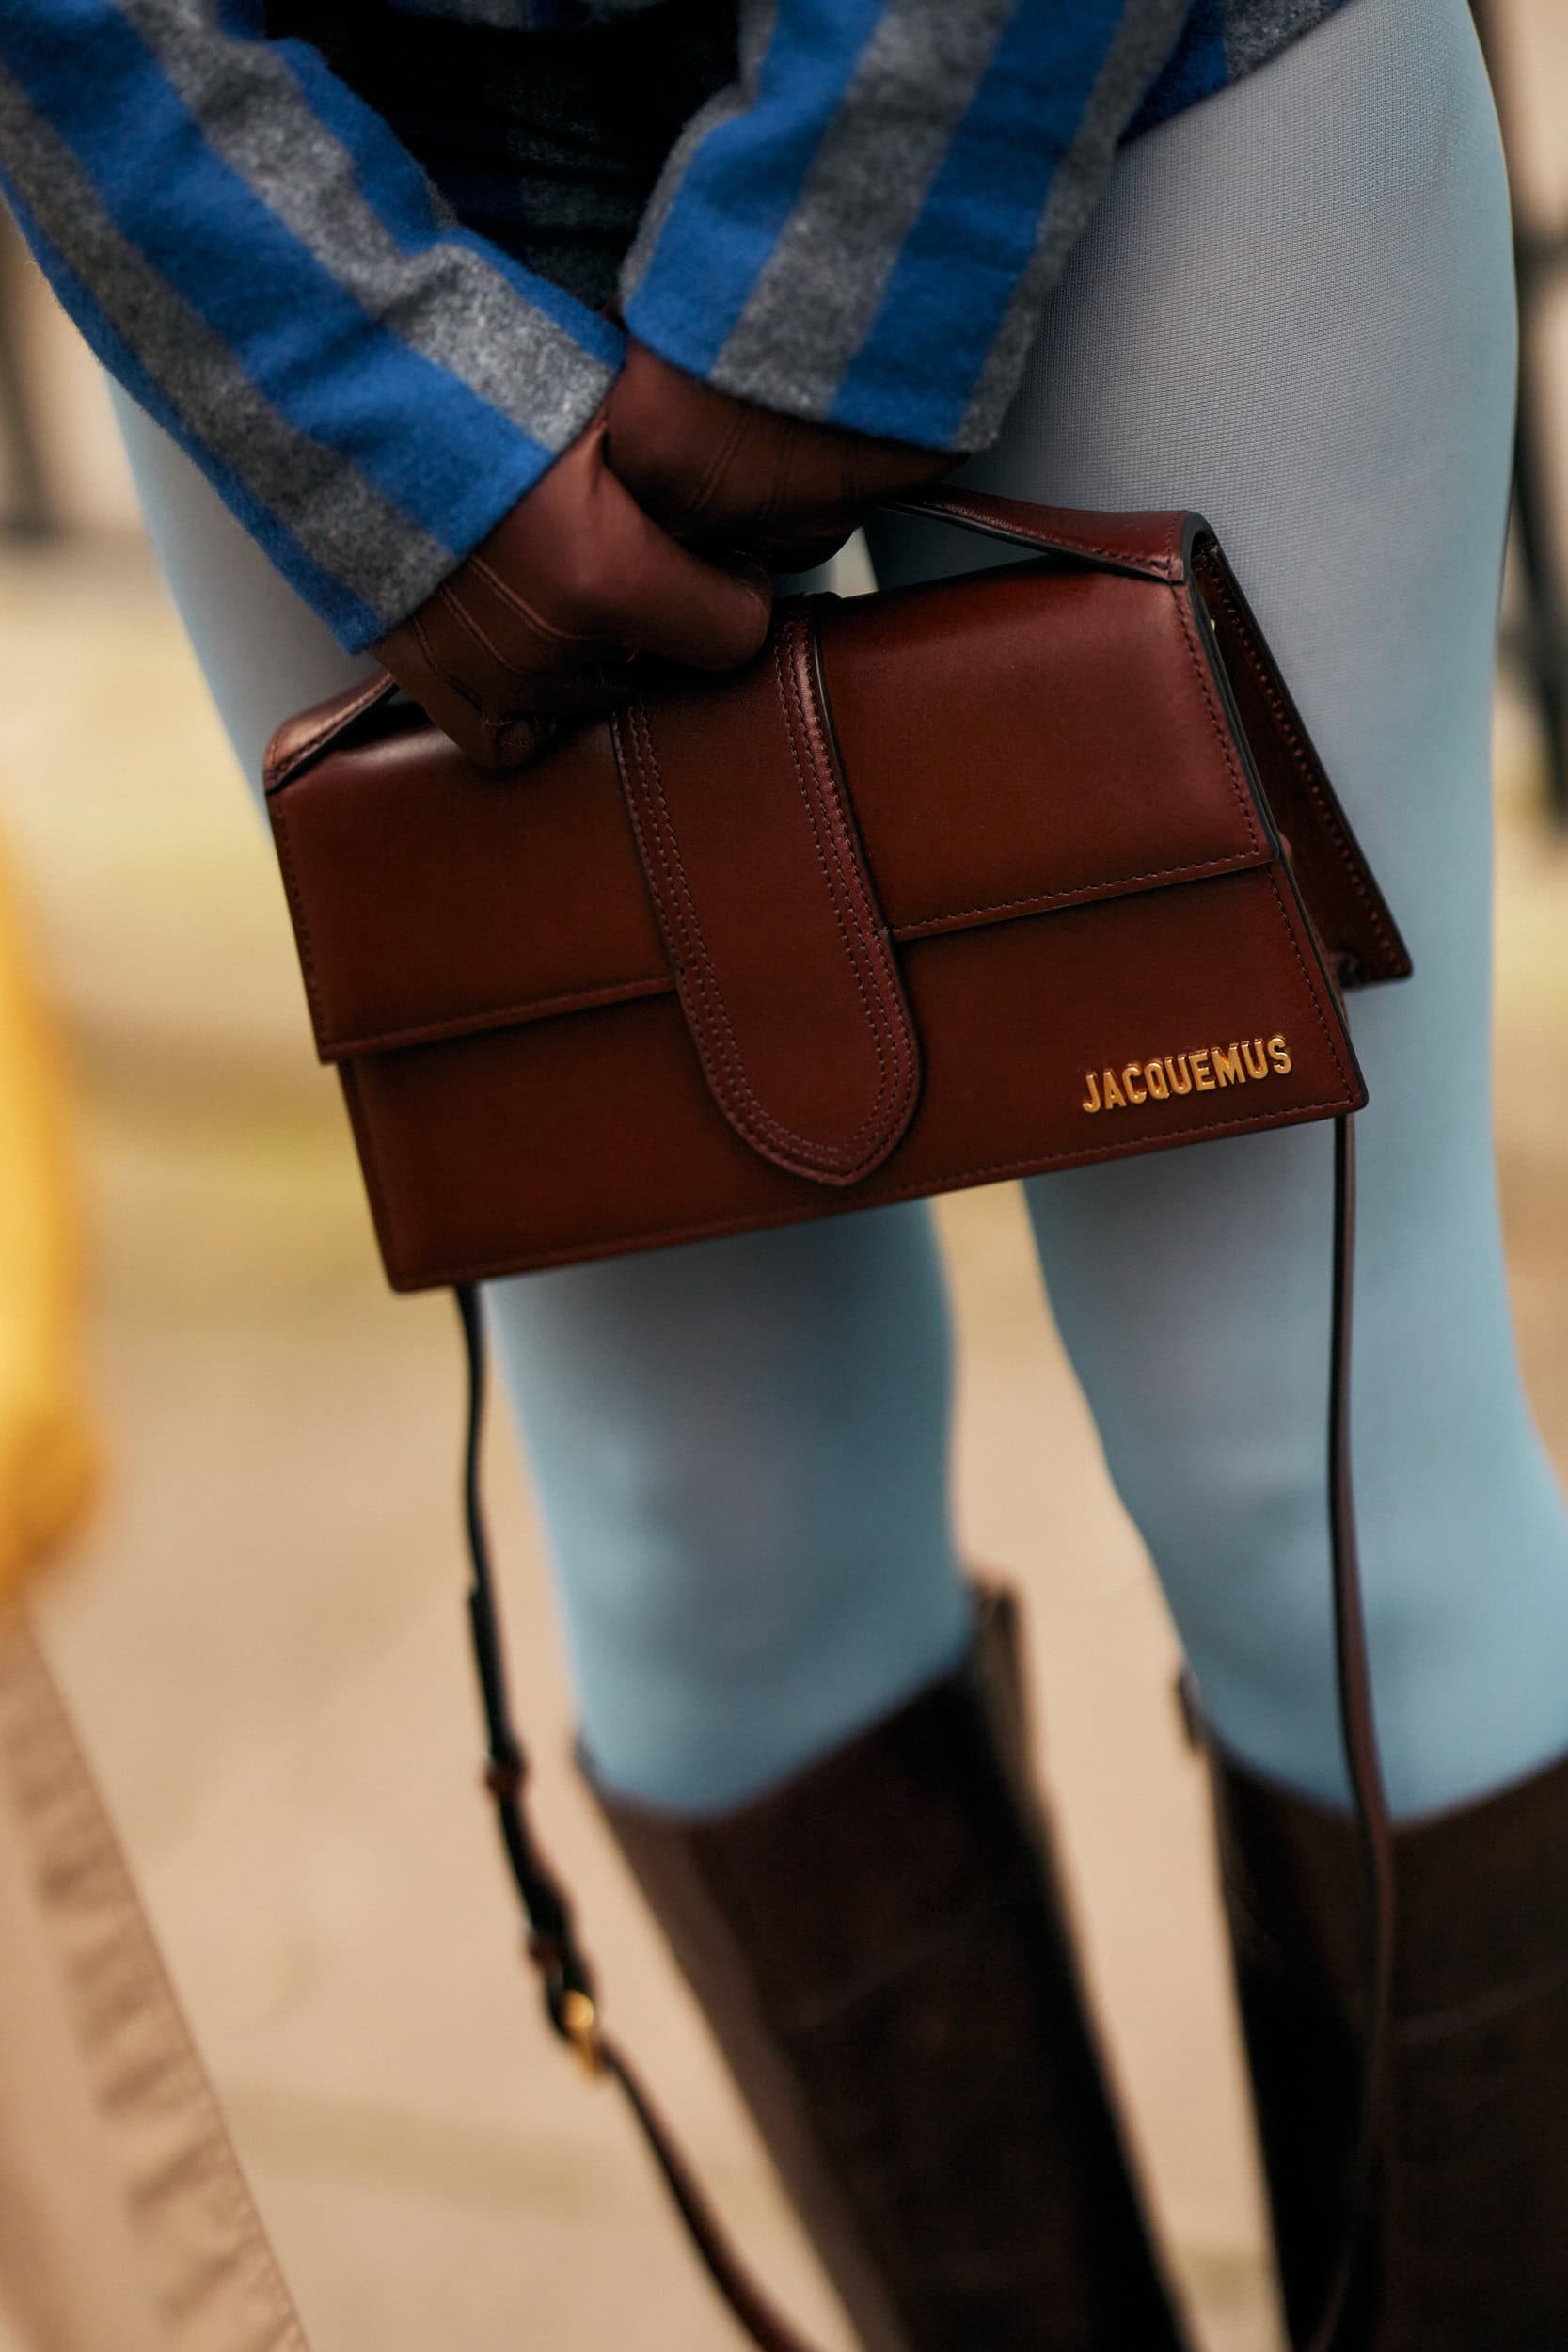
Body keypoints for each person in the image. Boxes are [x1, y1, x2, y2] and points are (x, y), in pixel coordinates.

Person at [2, 0, 1566, 2344]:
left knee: (1314, 1464)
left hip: (1124, 64)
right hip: (310, 164)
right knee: (702, 1542)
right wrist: (352, 390)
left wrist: (852, 247)